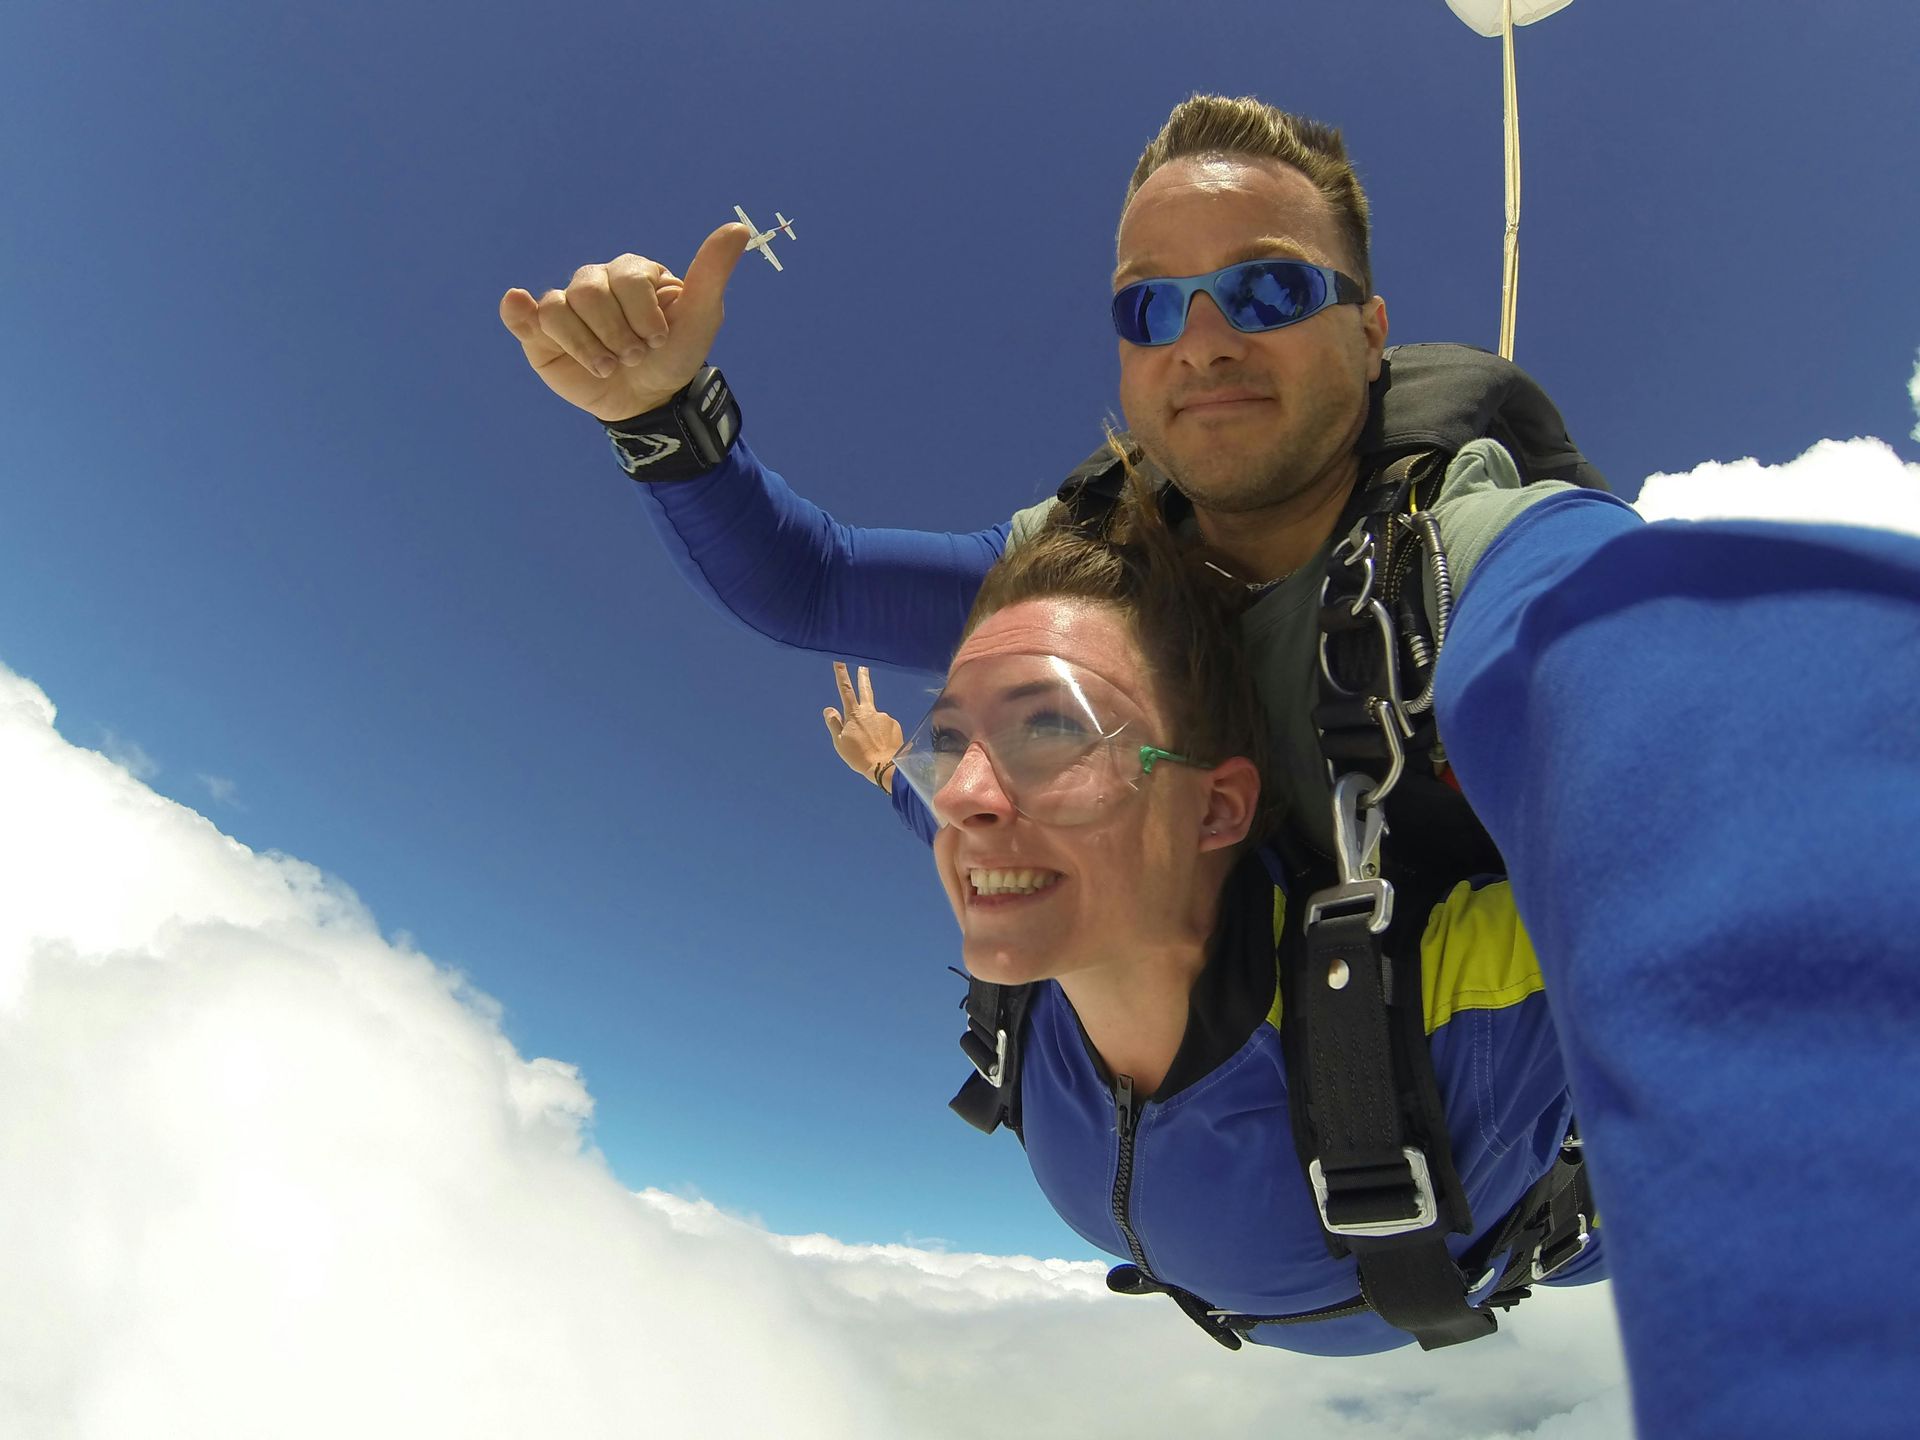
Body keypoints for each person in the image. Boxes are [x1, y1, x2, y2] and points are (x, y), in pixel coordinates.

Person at [503, 93, 1920, 1428]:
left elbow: (1671, 716)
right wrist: (663, 416)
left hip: (1464, 1176)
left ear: (1370, 332)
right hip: (1221, 1194)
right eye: (1150, 303)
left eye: (1267, 288)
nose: (1202, 336)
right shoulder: (1082, 576)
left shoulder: (1479, 562)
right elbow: (812, 591)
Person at [816, 479, 1602, 1359]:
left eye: (1052, 734)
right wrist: (890, 765)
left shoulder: (1443, 1008)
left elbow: (1710, 901)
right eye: (951, 744)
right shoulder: (1042, 917)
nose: (964, 797)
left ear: (1214, 809)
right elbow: (943, 814)